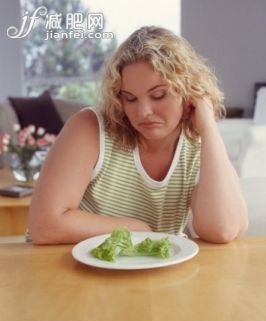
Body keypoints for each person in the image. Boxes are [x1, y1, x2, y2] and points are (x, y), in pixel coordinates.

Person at [28, 26, 248, 245]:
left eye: (158, 95)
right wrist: (137, 228)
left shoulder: (199, 144)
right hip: (63, 269)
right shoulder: (90, 128)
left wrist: (209, 128)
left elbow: (223, 229)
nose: (143, 112)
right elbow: (44, 226)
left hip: (142, 274)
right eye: (130, 98)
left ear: (189, 92)